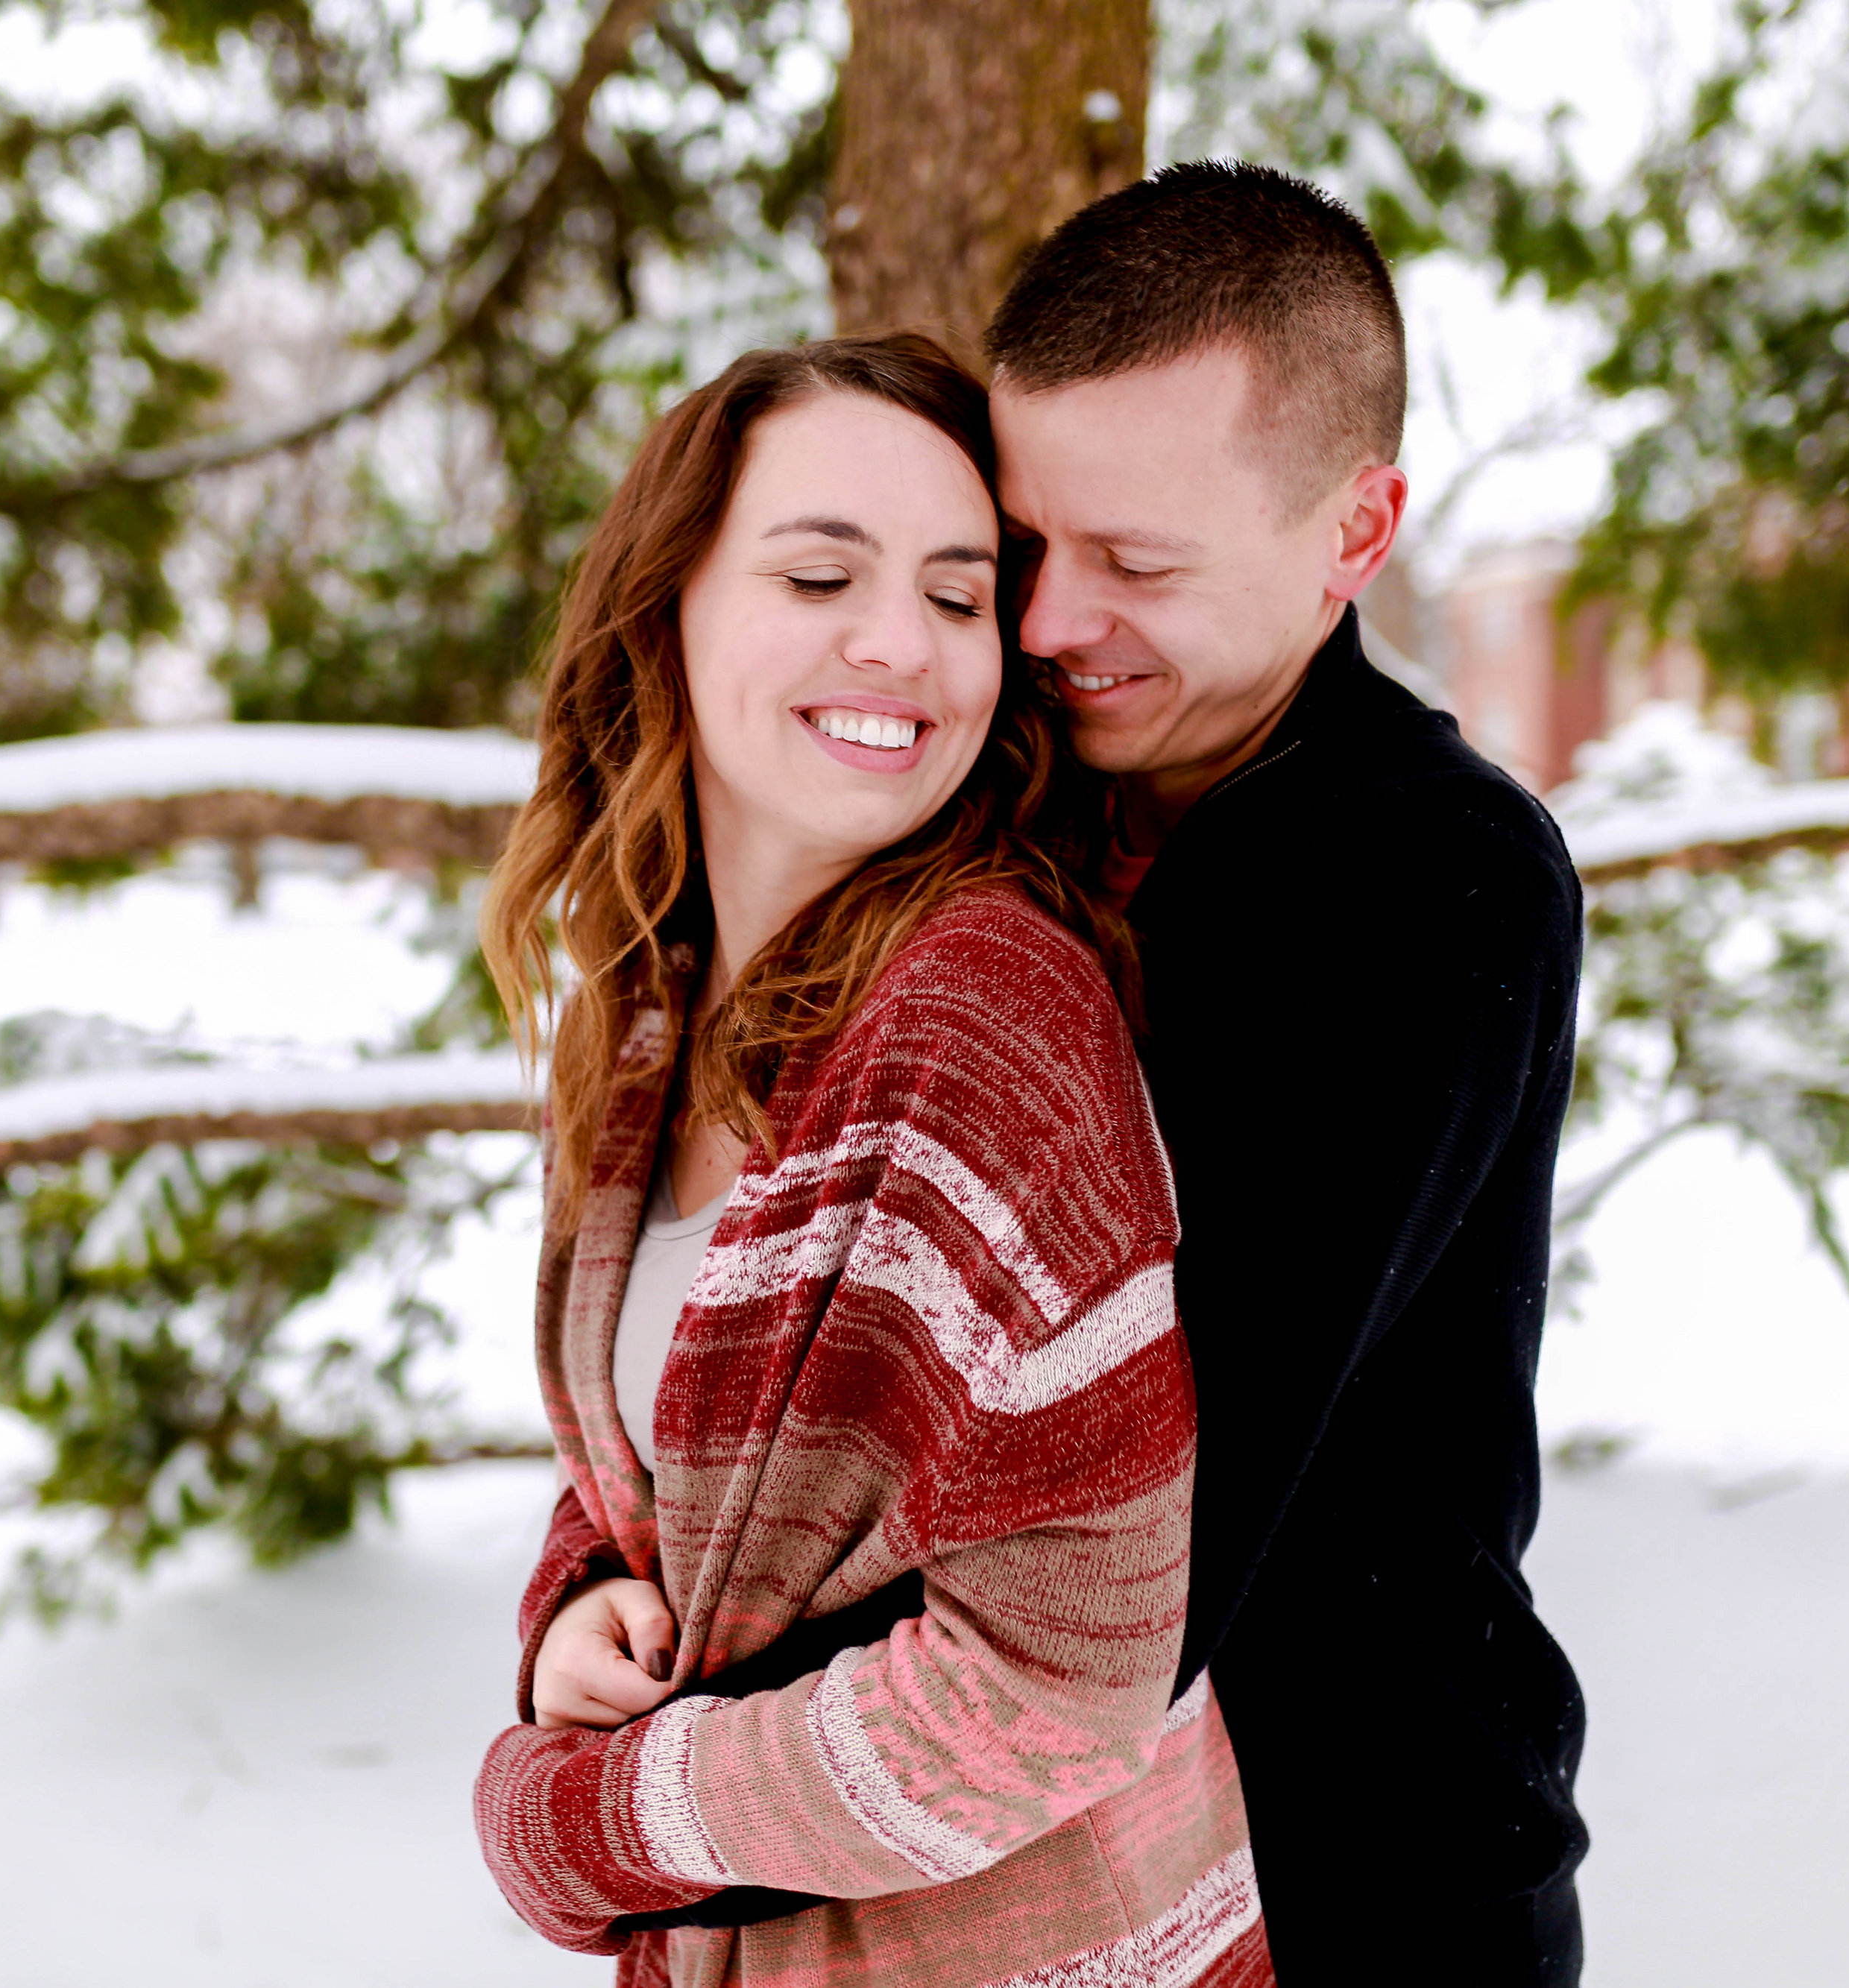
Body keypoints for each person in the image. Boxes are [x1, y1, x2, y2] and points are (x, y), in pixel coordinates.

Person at [470, 332, 1277, 1988]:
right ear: (667, 601)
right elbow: (682, 1448)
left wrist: (593, 1822)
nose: (899, 644)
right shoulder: (646, 1015)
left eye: (958, 592)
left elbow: (1065, 1678)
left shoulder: (985, 1017)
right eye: (821, 572)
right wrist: (576, 1602)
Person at [982, 162, 1592, 1984]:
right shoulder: (989, 792)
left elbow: (1150, 1522)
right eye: (1021, 544)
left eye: (1133, 563)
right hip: (1017, 1892)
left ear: (1354, 528)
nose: (1039, 622)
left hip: (1359, 1886)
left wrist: (675, 1765)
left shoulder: (1428, 879)